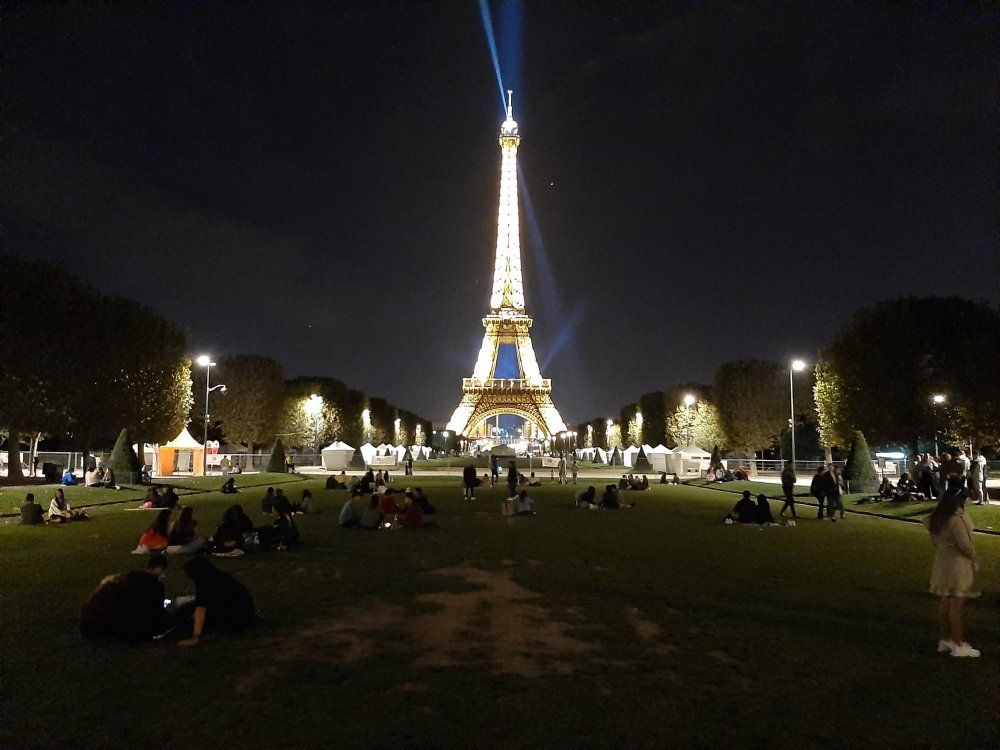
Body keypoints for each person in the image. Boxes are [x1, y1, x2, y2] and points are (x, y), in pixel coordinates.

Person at [927, 489, 980, 657]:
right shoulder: (955, 520)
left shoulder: (937, 518)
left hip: (942, 563)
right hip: (957, 566)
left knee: (945, 603)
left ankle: (945, 639)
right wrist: (973, 557)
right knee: (956, 607)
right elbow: (965, 545)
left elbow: (935, 541)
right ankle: (959, 644)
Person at [80, 555, 172, 642]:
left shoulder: (123, 579)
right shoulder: (154, 585)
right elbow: (155, 611)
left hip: (89, 625)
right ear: (159, 569)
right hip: (111, 628)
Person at [178, 557, 255, 646]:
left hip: (232, 620)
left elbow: (201, 607)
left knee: (186, 618)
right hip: (245, 615)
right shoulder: (223, 578)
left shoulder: (205, 584)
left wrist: (196, 636)